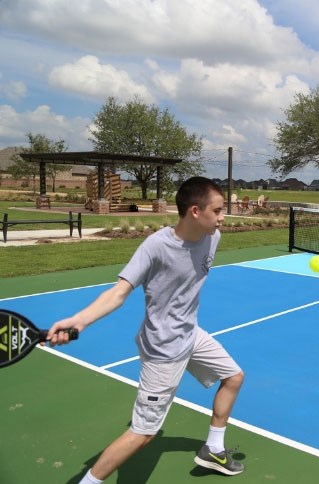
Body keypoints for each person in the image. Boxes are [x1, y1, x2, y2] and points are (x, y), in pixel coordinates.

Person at [46, 176, 245, 483]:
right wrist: (79, 320)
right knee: (143, 433)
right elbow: (118, 293)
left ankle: (213, 450)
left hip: (190, 335)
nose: (222, 217)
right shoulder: (155, 246)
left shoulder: (211, 236)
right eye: (217, 210)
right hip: (163, 349)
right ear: (195, 211)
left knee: (233, 377)